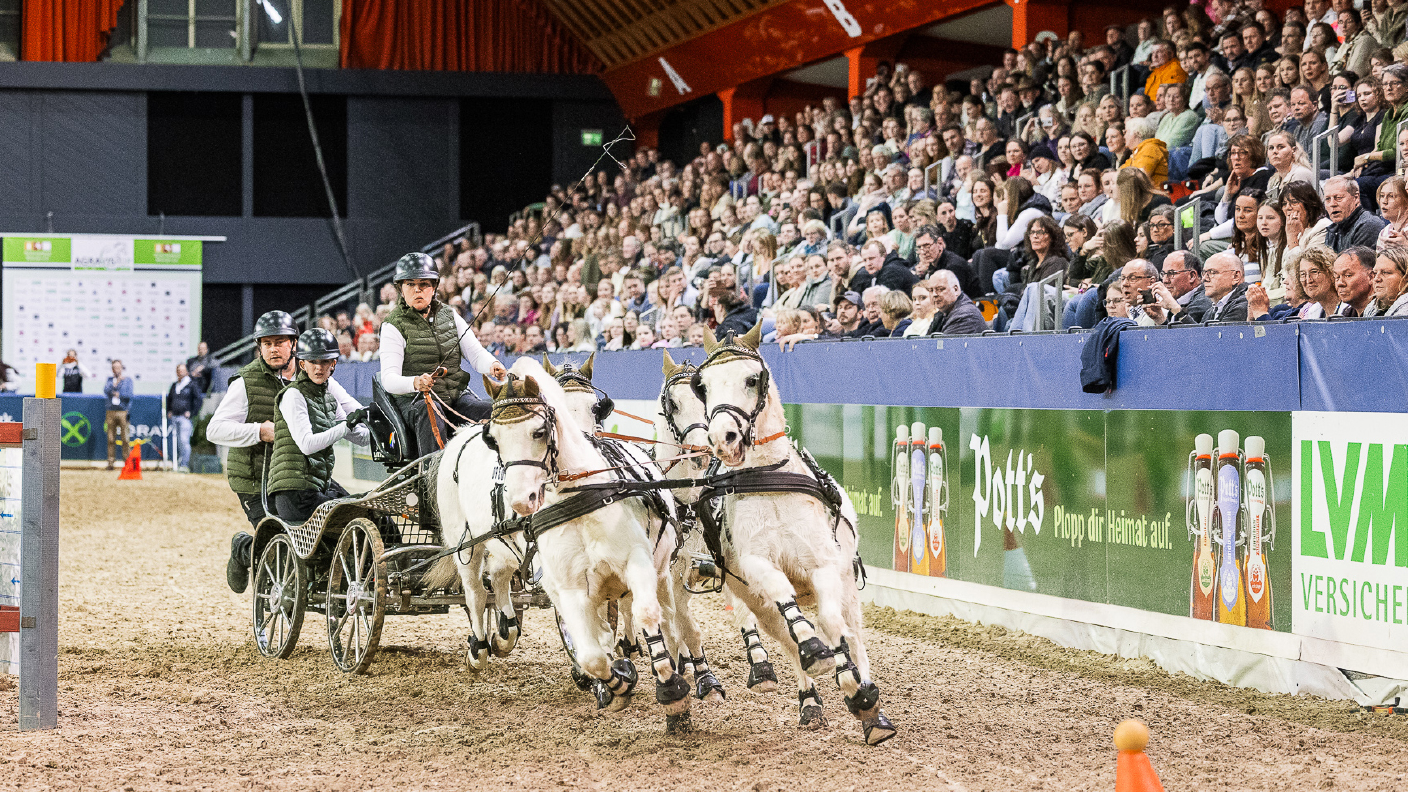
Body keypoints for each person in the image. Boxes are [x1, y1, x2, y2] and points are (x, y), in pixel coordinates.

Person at [379, 252, 507, 456]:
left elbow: (475, 354)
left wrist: (492, 365)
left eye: (424, 284)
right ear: (400, 288)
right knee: (431, 413)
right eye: (410, 284)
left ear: (434, 287)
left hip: (456, 397)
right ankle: (432, 475)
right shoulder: (392, 326)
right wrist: (415, 383)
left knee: (494, 411)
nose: (417, 290)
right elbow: (388, 379)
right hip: (417, 402)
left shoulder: (450, 315)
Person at [207, 310, 298, 593]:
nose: (274, 349)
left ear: (293, 344)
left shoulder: (311, 374)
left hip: (294, 475)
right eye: (267, 343)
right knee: (277, 542)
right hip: (253, 477)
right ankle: (243, 548)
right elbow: (215, 430)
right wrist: (258, 431)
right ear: (259, 347)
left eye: (280, 342)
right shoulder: (244, 382)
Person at [268, 329, 370, 524]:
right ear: (302, 364)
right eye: (313, 362)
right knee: (361, 513)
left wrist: (385, 431)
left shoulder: (329, 398)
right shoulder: (292, 395)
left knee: (369, 507)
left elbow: (360, 437)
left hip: (315, 488)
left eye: (324, 361)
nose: (319, 368)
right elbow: (307, 444)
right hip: (294, 495)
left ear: (333, 364)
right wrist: (347, 426)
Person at [1322, 176, 1388, 251]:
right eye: (1327, 199)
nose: (1332, 204)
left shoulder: (1369, 225)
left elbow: (1354, 262)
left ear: (1356, 198)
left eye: (1338, 198)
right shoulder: (1333, 229)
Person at [167, 363, 203, 473]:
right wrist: (169, 410)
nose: (180, 372)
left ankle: (184, 465)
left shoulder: (191, 384)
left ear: (186, 372)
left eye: (182, 370)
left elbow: (198, 400)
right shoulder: (174, 385)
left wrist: (192, 413)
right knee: (177, 442)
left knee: (184, 441)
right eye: (179, 370)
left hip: (185, 418)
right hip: (175, 417)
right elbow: (170, 399)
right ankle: (177, 464)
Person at [929, 270, 988, 334]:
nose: (934, 294)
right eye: (931, 290)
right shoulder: (942, 312)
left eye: (940, 289)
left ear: (955, 289)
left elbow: (945, 343)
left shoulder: (965, 315)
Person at [1202, 251, 1251, 321]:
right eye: (1204, 273)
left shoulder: (1244, 304)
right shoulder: (1211, 310)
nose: (1204, 279)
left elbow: (1219, 332)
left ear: (1235, 277)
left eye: (1212, 272)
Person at [103, 360, 134, 471]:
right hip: (110, 411)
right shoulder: (109, 380)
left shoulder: (127, 380)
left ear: (122, 368)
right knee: (110, 438)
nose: (116, 369)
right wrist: (114, 385)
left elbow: (129, 394)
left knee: (125, 438)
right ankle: (111, 462)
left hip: (123, 412)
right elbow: (105, 390)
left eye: (118, 367)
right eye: (114, 367)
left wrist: (119, 394)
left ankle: (127, 462)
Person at [1332, 245, 1377, 315]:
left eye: (1348, 275)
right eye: (1337, 277)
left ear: (1371, 277)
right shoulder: (1346, 315)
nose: (1340, 283)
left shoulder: (1385, 316)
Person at [1369, 246, 1408, 316]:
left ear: (1406, 277)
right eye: (1375, 273)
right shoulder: (1371, 309)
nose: (1377, 279)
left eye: (1385, 272)